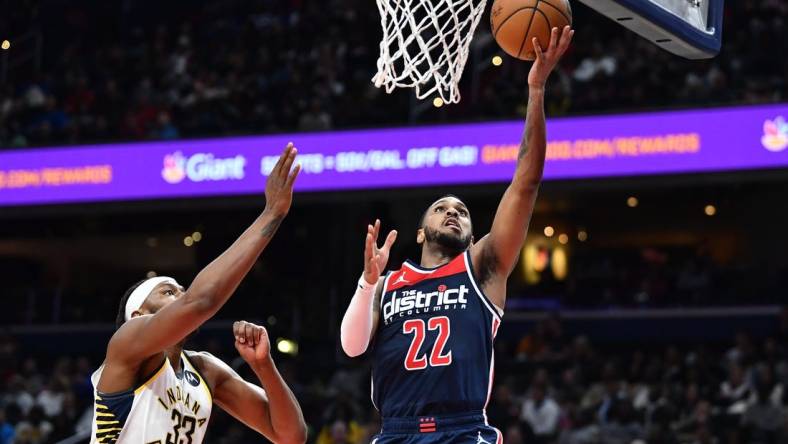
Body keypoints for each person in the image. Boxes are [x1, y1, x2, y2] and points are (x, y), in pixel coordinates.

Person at [340, 27, 574, 443]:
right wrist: (367, 283)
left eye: (462, 211)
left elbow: (526, 182)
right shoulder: (389, 283)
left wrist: (536, 90)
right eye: (441, 208)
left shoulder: (482, 266)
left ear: (470, 233)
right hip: (396, 431)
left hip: (462, 430)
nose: (453, 213)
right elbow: (353, 347)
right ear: (420, 231)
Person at [90, 144, 306, 443]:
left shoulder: (204, 369)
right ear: (138, 315)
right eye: (168, 292)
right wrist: (271, 214)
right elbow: (201, 301)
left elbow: (291, 436)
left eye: (181, 290)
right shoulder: (127, 344)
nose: (181, 295)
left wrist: (263, 365)